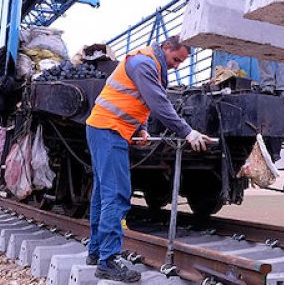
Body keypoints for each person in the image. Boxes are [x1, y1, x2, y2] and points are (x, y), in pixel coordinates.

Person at [84, 36, 213, 282]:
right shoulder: (145, 63)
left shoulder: (148, 63)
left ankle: (96, 252)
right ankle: (108, 261)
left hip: (107, 129)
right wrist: (187, 132)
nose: (177, 65)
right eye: (176, 59)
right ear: (166, 48)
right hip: (109, 130)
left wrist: (141, 128)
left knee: (103, 194)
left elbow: (137, 100)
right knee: (117, 195)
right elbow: (158, 103)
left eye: (181, 62)